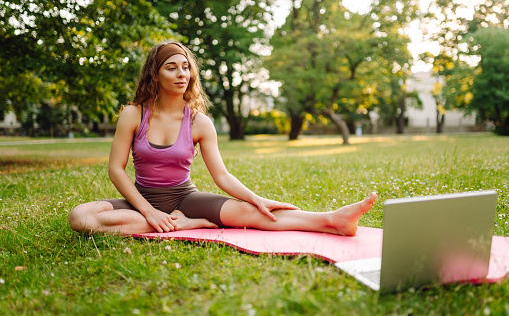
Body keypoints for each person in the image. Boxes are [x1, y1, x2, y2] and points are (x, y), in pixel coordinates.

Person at [68, 42, 377, 235]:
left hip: (185, 199)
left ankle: (332, 220)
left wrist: (255, 198)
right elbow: (116, 170)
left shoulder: (199, 122)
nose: (181, 74)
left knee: (250, 215)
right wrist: (148, 210)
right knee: (80, 217)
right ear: (155, 75)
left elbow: (222, 175)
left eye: (186, 67)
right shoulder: (133, 114)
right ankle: (184, 224)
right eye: (170, 67)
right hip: (140, 201)